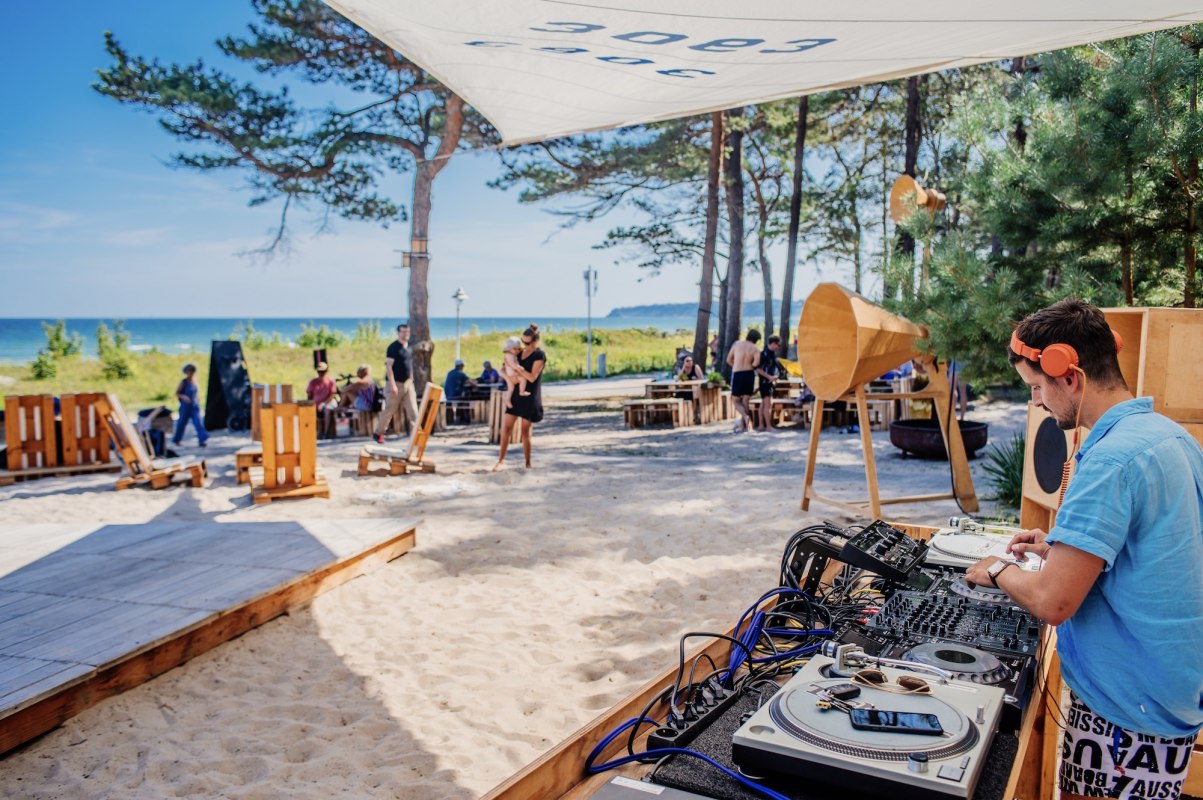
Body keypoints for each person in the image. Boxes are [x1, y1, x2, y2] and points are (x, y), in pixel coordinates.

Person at [964, 299, 1202, 800]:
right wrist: (1061, 547)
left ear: (1068, 376)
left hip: (1126, 709)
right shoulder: (1169, 437)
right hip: (1162, 695)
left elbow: (1053, 603)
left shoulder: (1112, 459)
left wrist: (998, 569)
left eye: (1036, 388)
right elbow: (1156, 549)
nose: (1036, 405)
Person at [494, 324, 545, 471]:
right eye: (523, 342)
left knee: (525, 432)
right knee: (506, 429)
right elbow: (504, 367)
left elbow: (532, 378)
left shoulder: (539, 356)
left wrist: (519, 370)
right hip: (516, 394)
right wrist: (508, 375)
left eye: (528, 343)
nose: (525, 346)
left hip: (530, 396)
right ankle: (501, 461)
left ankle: (528, 463)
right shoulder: (518, 353)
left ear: (536, 342)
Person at [374, 322, 419, 444]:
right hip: (395, 384)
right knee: (390, 409)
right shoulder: (393, 347)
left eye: (407, 332)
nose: (406, 334)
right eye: (403, 332)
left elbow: (409, 365)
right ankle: (378, 433)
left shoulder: (409, 347)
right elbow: (389, 367)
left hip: (408, 384)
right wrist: (392, 385)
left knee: (414, 411)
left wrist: (411, 378)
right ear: (398, 333)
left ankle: (418, 435)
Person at [726, 329, 761, 433]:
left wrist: (735, 366)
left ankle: (745, 417)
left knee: (735, 400)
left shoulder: (737, 344)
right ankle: (744, 426)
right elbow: (755, 364)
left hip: (737, 373)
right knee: (745, 401)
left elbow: (728, 360)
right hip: (749, 374)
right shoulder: (755, 349)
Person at [172, 363, 209, 448]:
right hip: (185, 406)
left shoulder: (195, 381)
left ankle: (202, 439)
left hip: (194, 406)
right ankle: (177, 439)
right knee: (181, 423)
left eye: (191, 371)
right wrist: (184, 397)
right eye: (189, 371)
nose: (190, 373)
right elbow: (177, 393)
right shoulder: (184, 382)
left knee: (198, 423)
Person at [755, 334, 782, 431]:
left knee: (763, 404)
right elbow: (757, 368)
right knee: (767, 404)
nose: (779, 347)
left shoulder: (772, 354)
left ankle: (761, 425)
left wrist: (776, 375)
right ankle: (768, 426)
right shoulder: (763, 354)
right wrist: (769, 377)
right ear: (773, 344)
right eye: (778, 345)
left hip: (768, 382)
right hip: (765, 382)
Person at [501, 336, 531, 410]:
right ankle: (521, 391)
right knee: (523, 379)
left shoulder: (513, 355)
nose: (517, 351)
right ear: (509, 349)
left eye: (518, 349)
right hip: (511, 373)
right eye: (515, 349)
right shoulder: (509, 356)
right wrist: (518, 368)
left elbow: (515, 362)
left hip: (511, 373)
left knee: (511, 388)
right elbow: (512, 364)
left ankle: (507, 400)